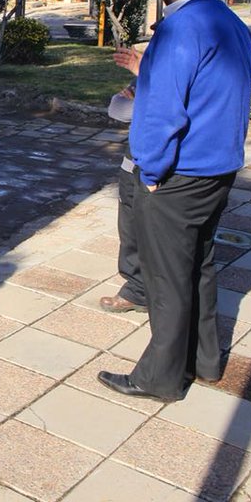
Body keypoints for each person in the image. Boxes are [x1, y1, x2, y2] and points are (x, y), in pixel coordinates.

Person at [98, 0, 251, 403]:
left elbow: (163, 111)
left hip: (179, 173)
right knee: (199, 266)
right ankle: (205, 361)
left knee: (167, 278)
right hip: (220, 167)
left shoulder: (178, 28)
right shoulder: (232, 24)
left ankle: (159, 378)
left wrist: (150, 168)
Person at [99, 50, 147, 315]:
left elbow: (161, 109)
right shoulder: (147, 68)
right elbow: (117, 108)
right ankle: (137, 288)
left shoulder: (169, 71)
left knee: (153, 228)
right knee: (129, 226)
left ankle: (147, 290)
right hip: (133, 160)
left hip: (156, 161)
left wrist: (143, 101)